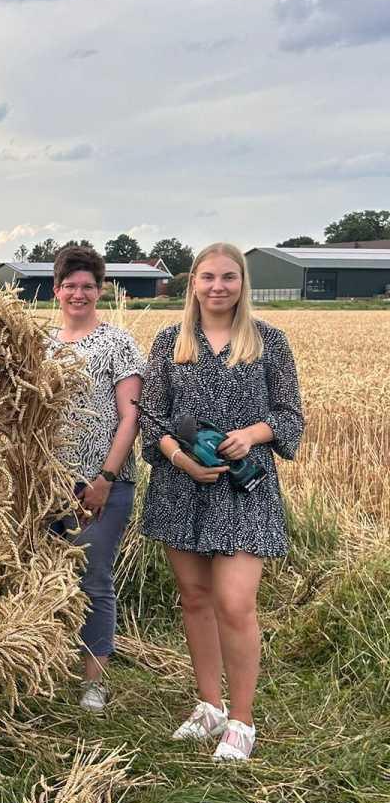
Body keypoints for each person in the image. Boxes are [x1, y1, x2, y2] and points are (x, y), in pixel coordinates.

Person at [139, 242, 303, 761]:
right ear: (193, 283)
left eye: (228, 277)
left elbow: (290, 416)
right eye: (208, 277)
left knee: (235, 604)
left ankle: (242, 720)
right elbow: (151, 419)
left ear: (242, 283)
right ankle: (209, 705)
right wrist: (180, 459)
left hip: (243, 490)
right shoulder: (169, 342)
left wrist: (251, 435)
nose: (218, 286)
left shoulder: (269, 342)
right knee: (195, 598)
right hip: (181, 488)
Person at [47, 246, 144, 714]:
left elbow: (131, 416)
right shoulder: (43, 344)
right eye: (70, 285)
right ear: (56, 290)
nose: (78, 294)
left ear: (100, 290)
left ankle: (94, 681)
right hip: (47, 483)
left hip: (101, 484)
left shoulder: (117, 343)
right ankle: (45, 664)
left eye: (87, 286)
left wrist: (105, 477)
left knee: (93, 577)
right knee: (46, 574)